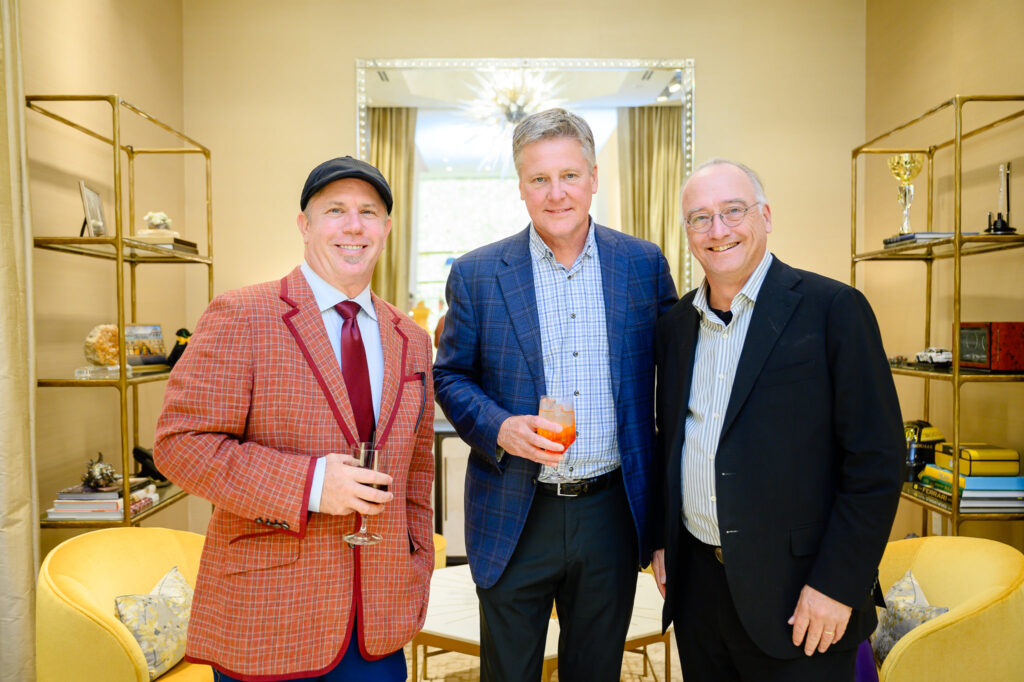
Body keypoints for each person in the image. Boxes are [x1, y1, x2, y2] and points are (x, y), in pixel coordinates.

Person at [154, 157, 435, 682]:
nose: (354, 226)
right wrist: (309, 485)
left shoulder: (412, 338)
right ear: (304, 226)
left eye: (369, 213)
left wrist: (417, 563)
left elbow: (418, 472)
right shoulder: (243, 314)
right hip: (268, 616)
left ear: (387, 229)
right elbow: (180, 445)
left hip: (378, 618)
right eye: (335, 211)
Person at [433, 108, 677, 681]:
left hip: (610, 511)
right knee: (508, 672)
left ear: (594, 177)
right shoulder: (477, 273)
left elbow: (678, 379)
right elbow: (450, 376)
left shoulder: (643, 265)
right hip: (515, 509)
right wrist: (499, 427)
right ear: (520, 187)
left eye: (569, 175)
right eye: (539, 178)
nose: (556, 192)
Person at [651, 158, 904, 681]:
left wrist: (838, 584)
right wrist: (661, 538)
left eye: (733, 212)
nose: (717, 231)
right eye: (700, 218)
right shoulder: (675, 326)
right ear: (687, 233)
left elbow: (877, 462)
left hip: (803, 599)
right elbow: (671, 440)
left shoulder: (834, 309)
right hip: (699, 593)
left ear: (765, 216)